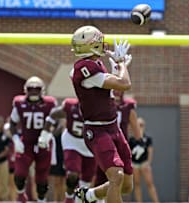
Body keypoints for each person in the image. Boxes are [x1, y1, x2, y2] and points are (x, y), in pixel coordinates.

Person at [70, 25, 133, 203]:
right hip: (98, 131)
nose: (102, 44)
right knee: (116, 177)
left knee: (126, 185)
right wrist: (121, 64)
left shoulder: (94, 64)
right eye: (98, 41)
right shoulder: (85, 68)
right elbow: (124, 83)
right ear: (89, 45)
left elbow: (108, 89)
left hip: (113, 128)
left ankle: (88, 195)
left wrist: (114, 69)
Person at [9, 76, 57, 203]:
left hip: (43, 144)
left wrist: (48, 135)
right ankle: (20, 195)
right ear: (26, 90)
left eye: (37, 89)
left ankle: (41, 199)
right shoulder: (19, 103)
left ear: (42, 90)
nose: (34, 91)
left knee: (41, 178)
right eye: (31, 89)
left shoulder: (50, 103)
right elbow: (12, 123)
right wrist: (16, 139)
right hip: (26, 143)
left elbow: (57, 122)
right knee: (19, 173)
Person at [42, 97, 96, 203]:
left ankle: (79, 199)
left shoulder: (99, 108)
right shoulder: (70, 106)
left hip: (90, 145)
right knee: (72, 174)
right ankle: (69, 197)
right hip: (72, 141)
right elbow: (53, 114)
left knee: (86, 181)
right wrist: (45, 134)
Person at [129, 117, 159, 203]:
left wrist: (148, 163)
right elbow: (129, 153)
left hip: (144, 164)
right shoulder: (131, 139)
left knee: (150, 184)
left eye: (142, 125)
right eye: (138, 125)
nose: (140, 127)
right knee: (137, 185)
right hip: (135, 164)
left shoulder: (147, 138)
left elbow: (150, 151)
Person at [47, 120, 66, 202]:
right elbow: (53, 134)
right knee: (56, 182)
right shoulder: (54, 131)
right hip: (56, 158)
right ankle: (55, 200)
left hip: (65, 157)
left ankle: (63, 200)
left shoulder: (66, 132)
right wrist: (60, 126)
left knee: (64, 182)